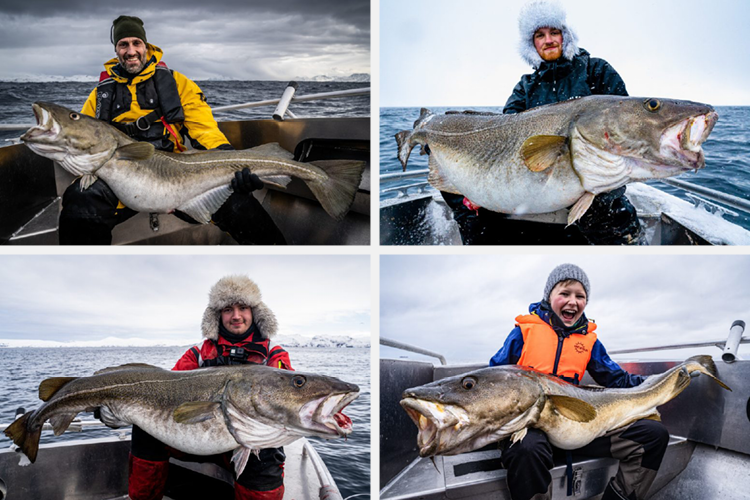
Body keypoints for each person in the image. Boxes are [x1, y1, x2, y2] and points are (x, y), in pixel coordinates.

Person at [60, 15, 286, 245]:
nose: (131, 51)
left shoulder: (177, 83)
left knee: (239, 203)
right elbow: (84, 138)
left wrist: (233, 162)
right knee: (80, 201)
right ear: (116, 50)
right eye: (123, 44)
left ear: (146, 46)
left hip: (178, 177)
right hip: (118, 180)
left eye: (136, 43)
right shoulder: (100, 94)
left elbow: (205, 128)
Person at [441, 1, 642, 245]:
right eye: (540, 35)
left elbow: (627, 124)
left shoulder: (596, 70)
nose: (548, 40)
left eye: (554, 32)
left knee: (611, 215)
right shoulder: (525, 87)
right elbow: (506, 137)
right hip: (541, 182)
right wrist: (476, 193)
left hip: (598, 184)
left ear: (565, 36)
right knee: (475, 215)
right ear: (532, 44)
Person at [489, 264, 669, 500]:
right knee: (528, 450)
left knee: (654, 434)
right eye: (564, 293)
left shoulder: (590, 341)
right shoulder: (524, 333)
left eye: (580, 296)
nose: (572, 301)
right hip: (530, 430)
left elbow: (617, 379)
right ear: (549, 296)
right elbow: (493, 379)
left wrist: (659, 381)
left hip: (578, 430)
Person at [127, 275, 292, 500]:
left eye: (242, 307)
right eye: (227, 309)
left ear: (254, 311)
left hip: (251, 442)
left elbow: (289, 398)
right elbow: (167, 390)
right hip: (200, 438)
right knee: (146, 431)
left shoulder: (273, 354)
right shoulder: (199, 354)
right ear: (217, 315)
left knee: (266, 454)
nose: (236, 316)